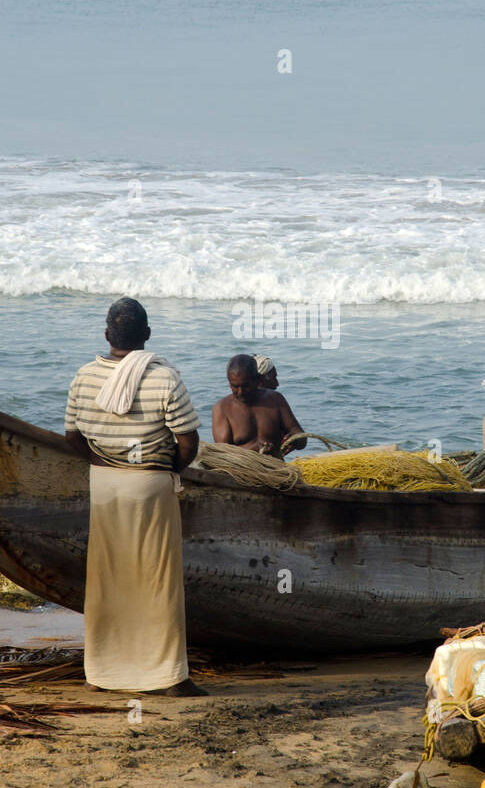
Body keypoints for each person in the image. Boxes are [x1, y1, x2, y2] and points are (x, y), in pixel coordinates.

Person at [65, 298, 205, 698]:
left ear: (107, 335)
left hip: (105, 484)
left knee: (108, 579)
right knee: (158, 580)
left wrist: (101, 459)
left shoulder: (84, 376)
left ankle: (100, 673)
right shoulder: (164, 379)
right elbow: (188, 442)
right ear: (147, 334)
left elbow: (73, 437)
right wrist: (170, 469)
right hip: (150, 487)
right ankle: (170, 678)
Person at [212, 354, 307, 456]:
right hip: (240, 470)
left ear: (257, 380)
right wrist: (255, 449)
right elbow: (223, 455)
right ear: (229, 383)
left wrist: (295, 440)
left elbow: (301, 438)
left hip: (275, 468)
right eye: (235, 386)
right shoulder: (222, 409)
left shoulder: (276, 400)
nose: (240, 391)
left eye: (246, 385)